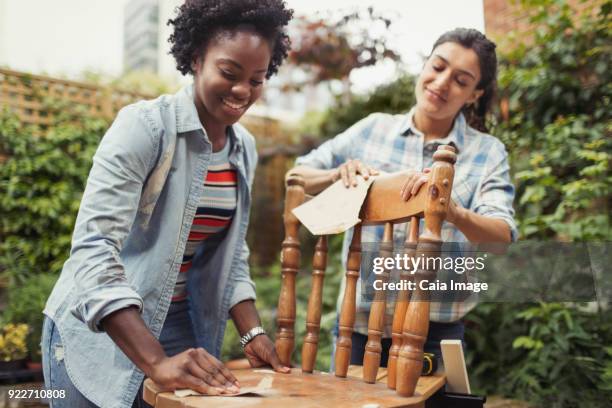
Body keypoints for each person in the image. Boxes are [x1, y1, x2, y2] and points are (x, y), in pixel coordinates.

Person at [41, 1, 293, 407]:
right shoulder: (145, 127)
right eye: (229, 73)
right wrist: (155, 361)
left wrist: (252, 333)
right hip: (101, 330)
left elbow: (232, 254)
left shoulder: (243, 148)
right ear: (196, 59)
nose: (243, 91)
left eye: (258, 79)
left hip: (179, 327)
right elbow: (93, 249)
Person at [289, 28, 518, 366]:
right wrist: (336, 175)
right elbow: (296, 176)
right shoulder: (371, 130)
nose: (441, 83)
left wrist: (452, 212)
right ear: (424, 66)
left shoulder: (487, 152)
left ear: (474, 94)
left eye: (460, 80)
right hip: (358, 328)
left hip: (435, 335)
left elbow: (501, 238)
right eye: (437, 67)